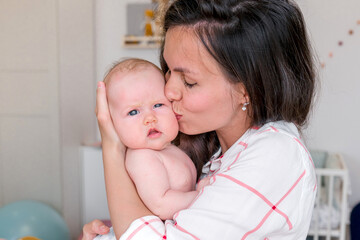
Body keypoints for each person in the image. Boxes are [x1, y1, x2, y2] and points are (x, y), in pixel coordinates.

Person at [83, 0, 317, 239]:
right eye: (169, 70)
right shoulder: (214, 148)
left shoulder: (274, 155)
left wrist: (112, 148)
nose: (169, 91)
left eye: (189, 82)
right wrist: (114, 232)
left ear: (245, 90)